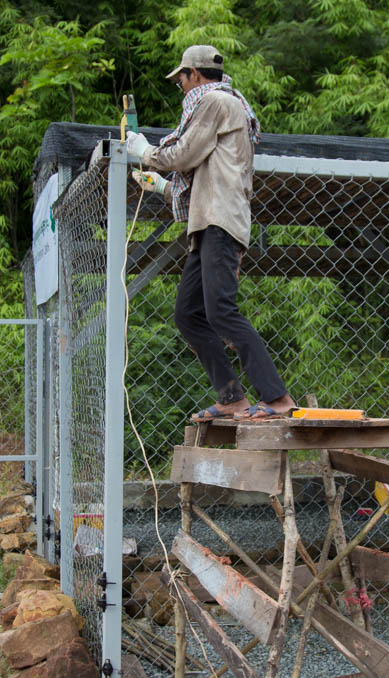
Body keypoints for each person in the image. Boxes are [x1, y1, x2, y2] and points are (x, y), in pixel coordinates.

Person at [125, 44, 296, 423]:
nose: (180, 87)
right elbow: (202, 177)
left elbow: (184, 155)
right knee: (188, 314)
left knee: (221, 311)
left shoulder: (216, 101)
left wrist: (145, 151)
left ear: (195, 74)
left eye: (181, 79)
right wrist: (159, 186)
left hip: (220, 221)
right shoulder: (217, 105)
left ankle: (278, 398)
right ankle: (232, 398)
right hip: (206, 222)